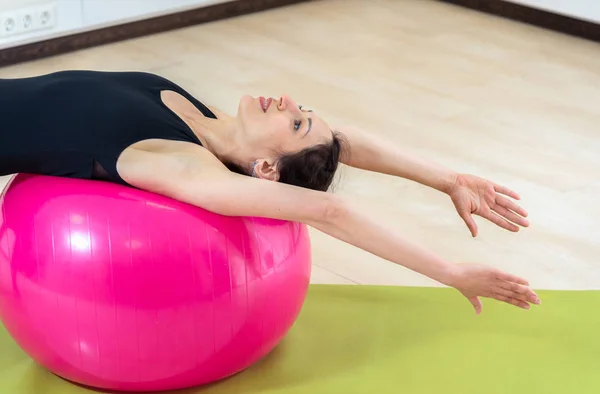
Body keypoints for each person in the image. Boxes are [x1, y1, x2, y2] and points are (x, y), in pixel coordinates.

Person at [0, 70, 540, 314]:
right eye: (301, 108)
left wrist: (450, 273)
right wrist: (446, 178)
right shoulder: (207, 120)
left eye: (297, 122)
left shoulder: (179, 162)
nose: (286, 101)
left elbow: (329, 208)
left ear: (263, 169)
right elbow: (344, 144)